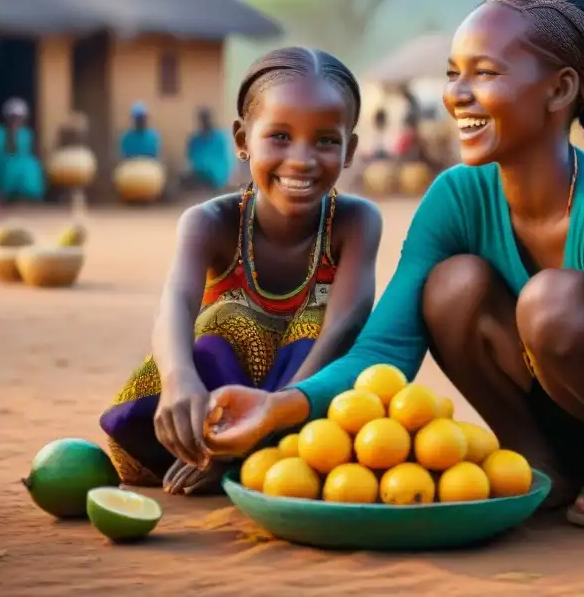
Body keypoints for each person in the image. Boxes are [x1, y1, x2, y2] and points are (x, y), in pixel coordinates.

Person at [201, 0, 584, 565]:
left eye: (484, 73)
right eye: (454, 73)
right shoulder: (456, 195)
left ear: (559, 89)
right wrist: (280, 407)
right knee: (451, 286)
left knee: (550, 302)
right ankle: (540, 461)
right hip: (570, 403)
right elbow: (385, 348)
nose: (458, 95)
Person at [99, 47, 383, 495]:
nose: (302, 160)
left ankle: (254, 460)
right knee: (223, 321)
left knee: (320, 321)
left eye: (326, 140)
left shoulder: (356, 222)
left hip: (304, 410)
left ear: (350, 150)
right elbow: (174, 306)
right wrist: (178, 381)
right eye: (280, 137)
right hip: (213, 403)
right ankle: (213, 454)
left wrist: (266, 425)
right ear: (242, 139)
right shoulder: (210, 222)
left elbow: (343, 328)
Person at [0, 98, 46, 204]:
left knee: (33, 165)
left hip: (22, 163)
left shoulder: (26, 133)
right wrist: (11, 133)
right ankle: (8, 195)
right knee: (12, 167)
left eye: (19, 117)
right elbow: (6, 151)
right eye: (12, 117)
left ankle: (30, 196)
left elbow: (31, 151)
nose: (15, 120)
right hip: (2, 163)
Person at [183, 107, 233, 192]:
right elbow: (192, 157)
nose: (205, 122)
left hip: (216, 177)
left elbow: (226, 161)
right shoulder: (195, 140)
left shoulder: (220, 138)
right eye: (203, 119)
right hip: (199, 174)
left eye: (206, 118)